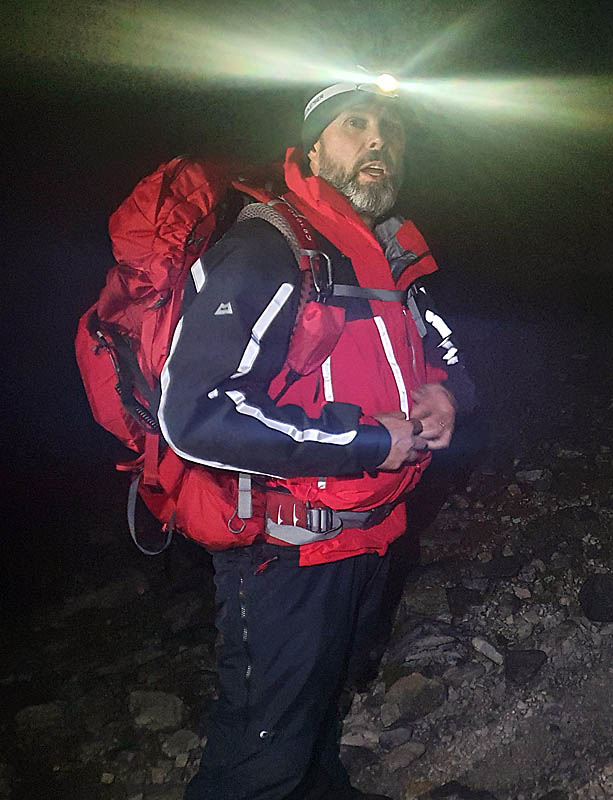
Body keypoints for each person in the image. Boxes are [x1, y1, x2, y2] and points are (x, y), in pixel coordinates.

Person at [159, 81, 471, 800]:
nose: (378, 140)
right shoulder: (268, 247)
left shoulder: (392, 254)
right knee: (260, 755)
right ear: (312, 148)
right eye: (355, 124)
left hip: (372, 534)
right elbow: (195, 412)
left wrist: (451, 393)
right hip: (286, 551)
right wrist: (362, 442)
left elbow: (445, 349)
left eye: (391, 128)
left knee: (323, 707)